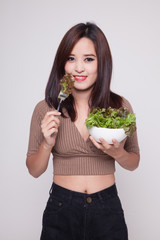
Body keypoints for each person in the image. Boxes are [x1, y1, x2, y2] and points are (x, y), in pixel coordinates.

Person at [26, 22, 140, 240]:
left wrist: (118, 154)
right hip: (61, 209)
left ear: (102, 63)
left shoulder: (120, 107)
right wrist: (46, 144)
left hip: (107, 209)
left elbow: (134, 162)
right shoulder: (46, 109)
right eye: (71, 59)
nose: (79, 68)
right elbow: (34, 170)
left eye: (88, 59)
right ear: (62, 64)